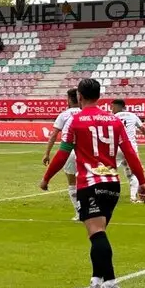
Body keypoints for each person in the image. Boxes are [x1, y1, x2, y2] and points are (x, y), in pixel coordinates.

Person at [41, 78, 145, 288]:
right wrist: (143, 182)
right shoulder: (114, 120)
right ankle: (96, 279)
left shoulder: (76, 121)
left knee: (96, 232)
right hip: (112, 184)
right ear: (99, 96)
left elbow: (62, 154)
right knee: (97, 232)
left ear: (79, 96)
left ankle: (110, 283)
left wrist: (46, 178)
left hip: (90, 184)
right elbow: (130, 153)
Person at [43, 88, 82, 218]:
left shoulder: (65, 115)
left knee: (72, 182)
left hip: (69, 151)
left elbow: (54, 135)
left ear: (69, 99)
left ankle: (78, 212)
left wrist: (47, 153)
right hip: (86, 152)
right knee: (87, 181)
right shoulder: (86, 112)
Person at [111, 99, 145, 204]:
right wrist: (138, 131)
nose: (111, 109)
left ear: (118, 107)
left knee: (110, 172)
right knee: (133, 173)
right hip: (130, 148)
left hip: (117, 147)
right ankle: (133, 197)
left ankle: (109, 194)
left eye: (112, 107)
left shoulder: (113, 117)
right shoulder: (133, 116)